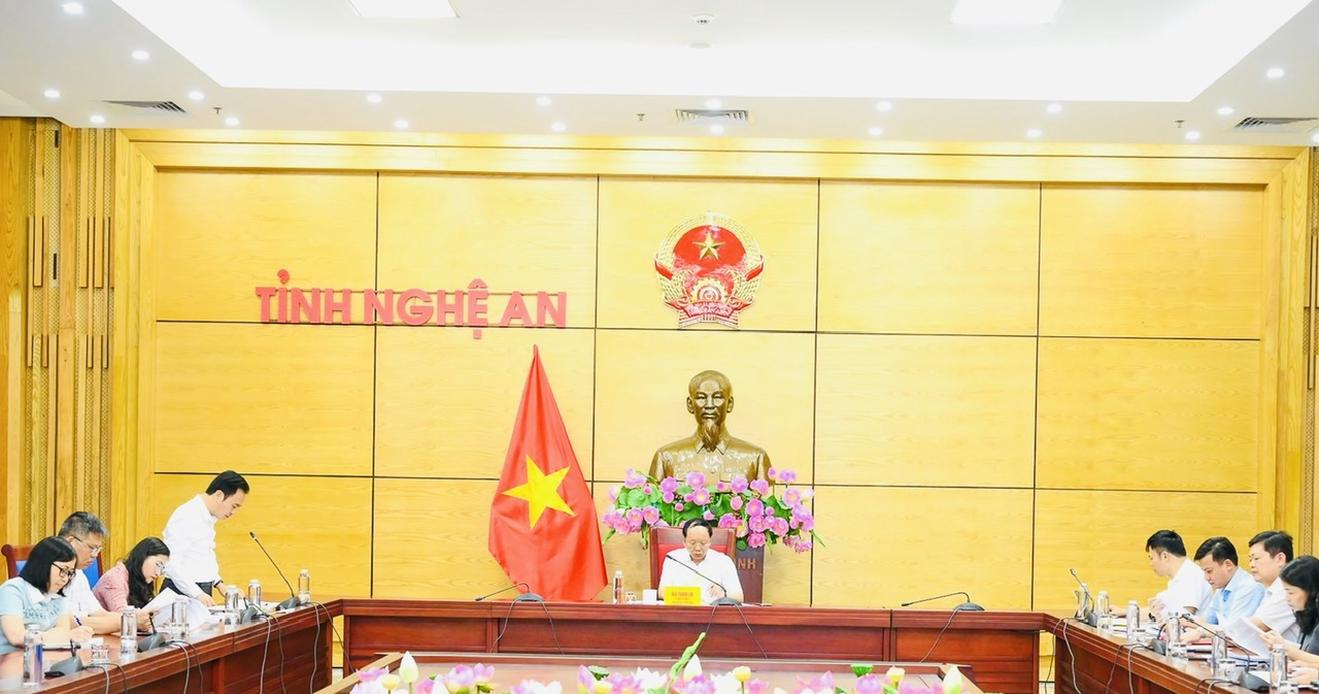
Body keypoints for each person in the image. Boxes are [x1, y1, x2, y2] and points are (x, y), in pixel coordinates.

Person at [649, 370, 772, 484]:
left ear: (729, 404)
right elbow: (651, 499)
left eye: (717, 397)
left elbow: (768, 498)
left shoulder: (755, 457)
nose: (709, 405)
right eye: (701, 397)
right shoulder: (666, 457)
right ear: (690, 404)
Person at [162, 470, 249, 606]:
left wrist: (220, 585)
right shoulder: (186, 515)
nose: (233, 512)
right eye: (234, 506)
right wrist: (197, 594)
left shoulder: (208, 517)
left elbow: (204, 557)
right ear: (219, 495)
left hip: (202, 590)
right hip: (180, 593)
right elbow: (171, 563)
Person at [0, 537, 94, 653]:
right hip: (10, 658)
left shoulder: (58, 595)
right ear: (43, 564)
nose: (65, 579)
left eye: (69, 573)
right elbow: (17, 637)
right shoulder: (13, 590)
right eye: (63, 570)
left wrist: (62, 635)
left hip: (45, 657)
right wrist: (63, 636)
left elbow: (63, 631)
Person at [56, 511, 120, 634]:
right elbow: (68, 623)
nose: (95, 555)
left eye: (98, 549)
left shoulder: (79, 574)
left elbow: (99, 613)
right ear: (70, 542)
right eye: (92, 548)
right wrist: (123, 622)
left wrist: (131, 618)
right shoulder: (50, 573)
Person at [657, 519, 744, 604]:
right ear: (684, 542)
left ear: (710, 542)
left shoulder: (723, 561)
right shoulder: (673, 558)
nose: (698, 548)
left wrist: (724, 594)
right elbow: (661, 593)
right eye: (692, 543)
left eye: (703, 543)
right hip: (680, 610)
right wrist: (687, 596)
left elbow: (739, 597)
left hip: (712, 612)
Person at [94, 537, 170, 631]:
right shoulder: (114, 578)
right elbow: (123, 618)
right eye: (158, 564)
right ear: (143, 557)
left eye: (162, 569)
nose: (158, 573)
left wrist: (159, 622)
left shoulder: (142, 579)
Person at [1262, 555, 1319, 669]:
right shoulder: (1305, 614)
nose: (1287, 598)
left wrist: (1284, 647)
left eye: (1291, 592)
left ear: (1311, 591)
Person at [1194, 536, 1265, 625]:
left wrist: (1201, 629)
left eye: (1209, 571)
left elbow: (1234, 629)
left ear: (1228, 565)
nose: (1206, 578)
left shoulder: (1249, 587)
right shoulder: (1222, 587)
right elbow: (1207, 620)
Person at [1146, 529, 1212, 617]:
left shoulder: (1191, 575)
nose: (1150, 564)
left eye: (1151, 558)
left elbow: (1184, 617)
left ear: (1164, 556)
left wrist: (1155, 614)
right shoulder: (1179, 577)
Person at [1249, 530, 1301, 641]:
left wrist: (1214, 630)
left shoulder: (1287, 591)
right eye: (1250, 559)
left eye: (1256, 558)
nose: (1251, 564)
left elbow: (1253, 628)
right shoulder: (1270, 588)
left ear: (1280, 559)